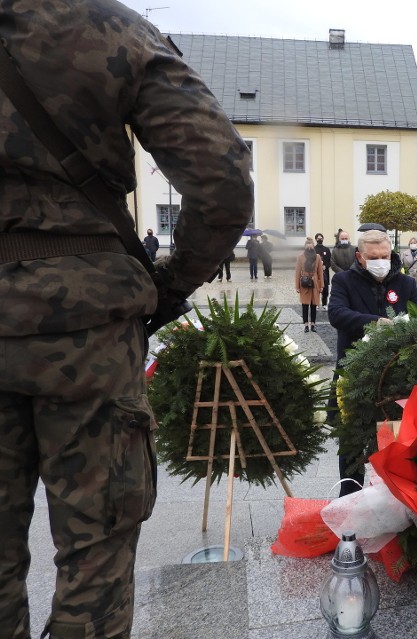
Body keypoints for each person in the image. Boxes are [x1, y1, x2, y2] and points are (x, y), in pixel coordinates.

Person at [0, 3, 254, 638]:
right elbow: (222, 180)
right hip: (87, 331)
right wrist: (168, 287)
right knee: (96, 556)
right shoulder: (104, 26)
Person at [328, 230, 417, 495]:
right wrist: (374, 323)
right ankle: (350, 500)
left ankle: (397, 500)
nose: (380, 261)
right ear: (360, 256)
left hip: (395, 378)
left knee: (396, 442)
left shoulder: (407, 284)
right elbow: (336, 314)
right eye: (373, 257)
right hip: (353, 374)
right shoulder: (344, 281)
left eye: (384, 256)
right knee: (352, 443)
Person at [295, 237, 324, 332]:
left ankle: (313, 324)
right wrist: (297, 286)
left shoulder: (317, 257)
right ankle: (306, 325)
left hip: (314, 282)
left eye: (311, 245)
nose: (309, 247)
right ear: (305, 246)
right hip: (304, 281)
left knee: (313, 304)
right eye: (307, 245)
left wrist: (321, 285)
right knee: (305, 305)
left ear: (313, 246)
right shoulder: (300, 257)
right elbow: (297, 272)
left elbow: (320, 272)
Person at [314, 232, 332, 310]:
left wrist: (326, 266)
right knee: (316, 287)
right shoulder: (314, 249)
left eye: (321, 238)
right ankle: (316, 304)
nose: (320, 239)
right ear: (316, 239)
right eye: (318, 238)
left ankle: (324, 303)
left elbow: (330, 261)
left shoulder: (326, 249)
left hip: (325, 272)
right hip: (316, 272)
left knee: (325, 289)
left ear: (323, 239)